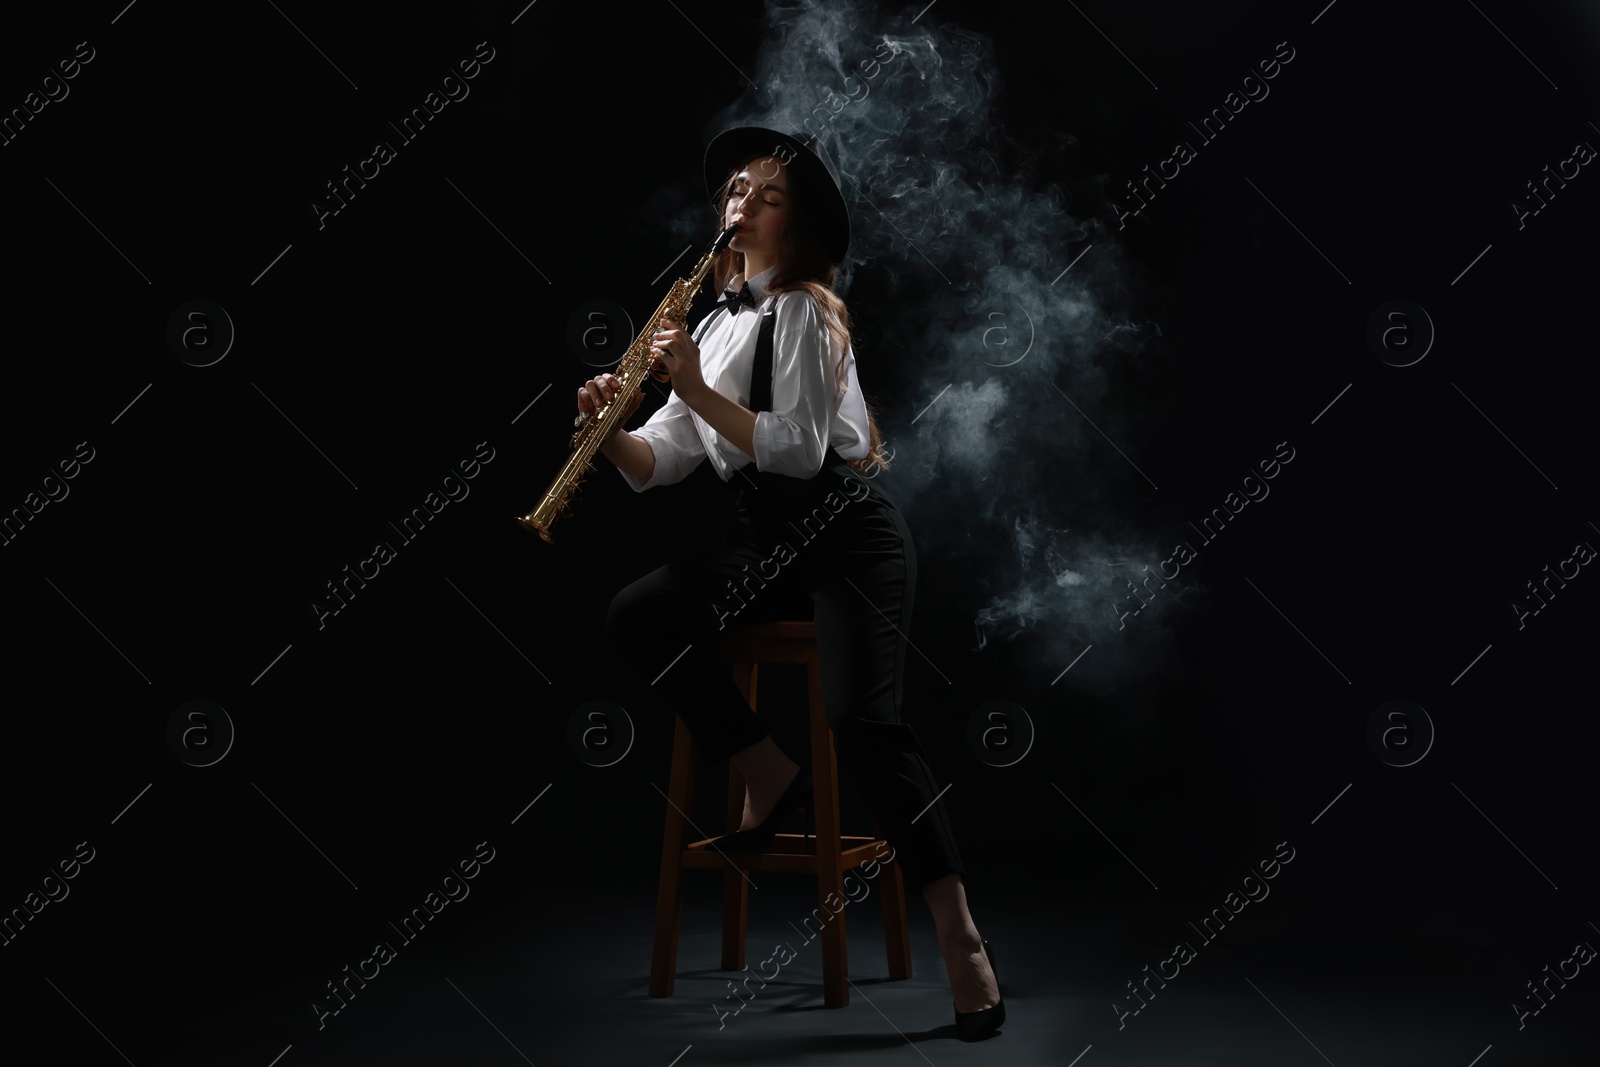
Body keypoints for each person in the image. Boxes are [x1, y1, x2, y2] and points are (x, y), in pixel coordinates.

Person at [581, 126, 1004, 1041]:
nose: (744, 200)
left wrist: (690, 387)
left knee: (864, 725)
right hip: (766, 539)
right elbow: (661, 464)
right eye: (736, 187)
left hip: (847, 534)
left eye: (768, 193)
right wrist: (606, 428)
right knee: (640, 615)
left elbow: (801, 449)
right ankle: (768, 765)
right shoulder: (715, 325)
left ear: (796, 222)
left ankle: (962, 939)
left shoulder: (811, 310)